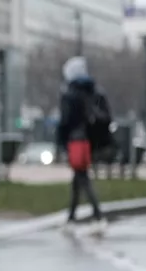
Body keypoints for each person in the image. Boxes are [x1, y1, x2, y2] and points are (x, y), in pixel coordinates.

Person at [57, 56, 108, 234]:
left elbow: (64, 122)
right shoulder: (94, 91)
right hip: (89, 141)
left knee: (82, 178)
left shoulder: (70, 94)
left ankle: (98, 216)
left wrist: (61, 144)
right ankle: (71, 219)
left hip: (75, 140)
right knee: (78, 180)